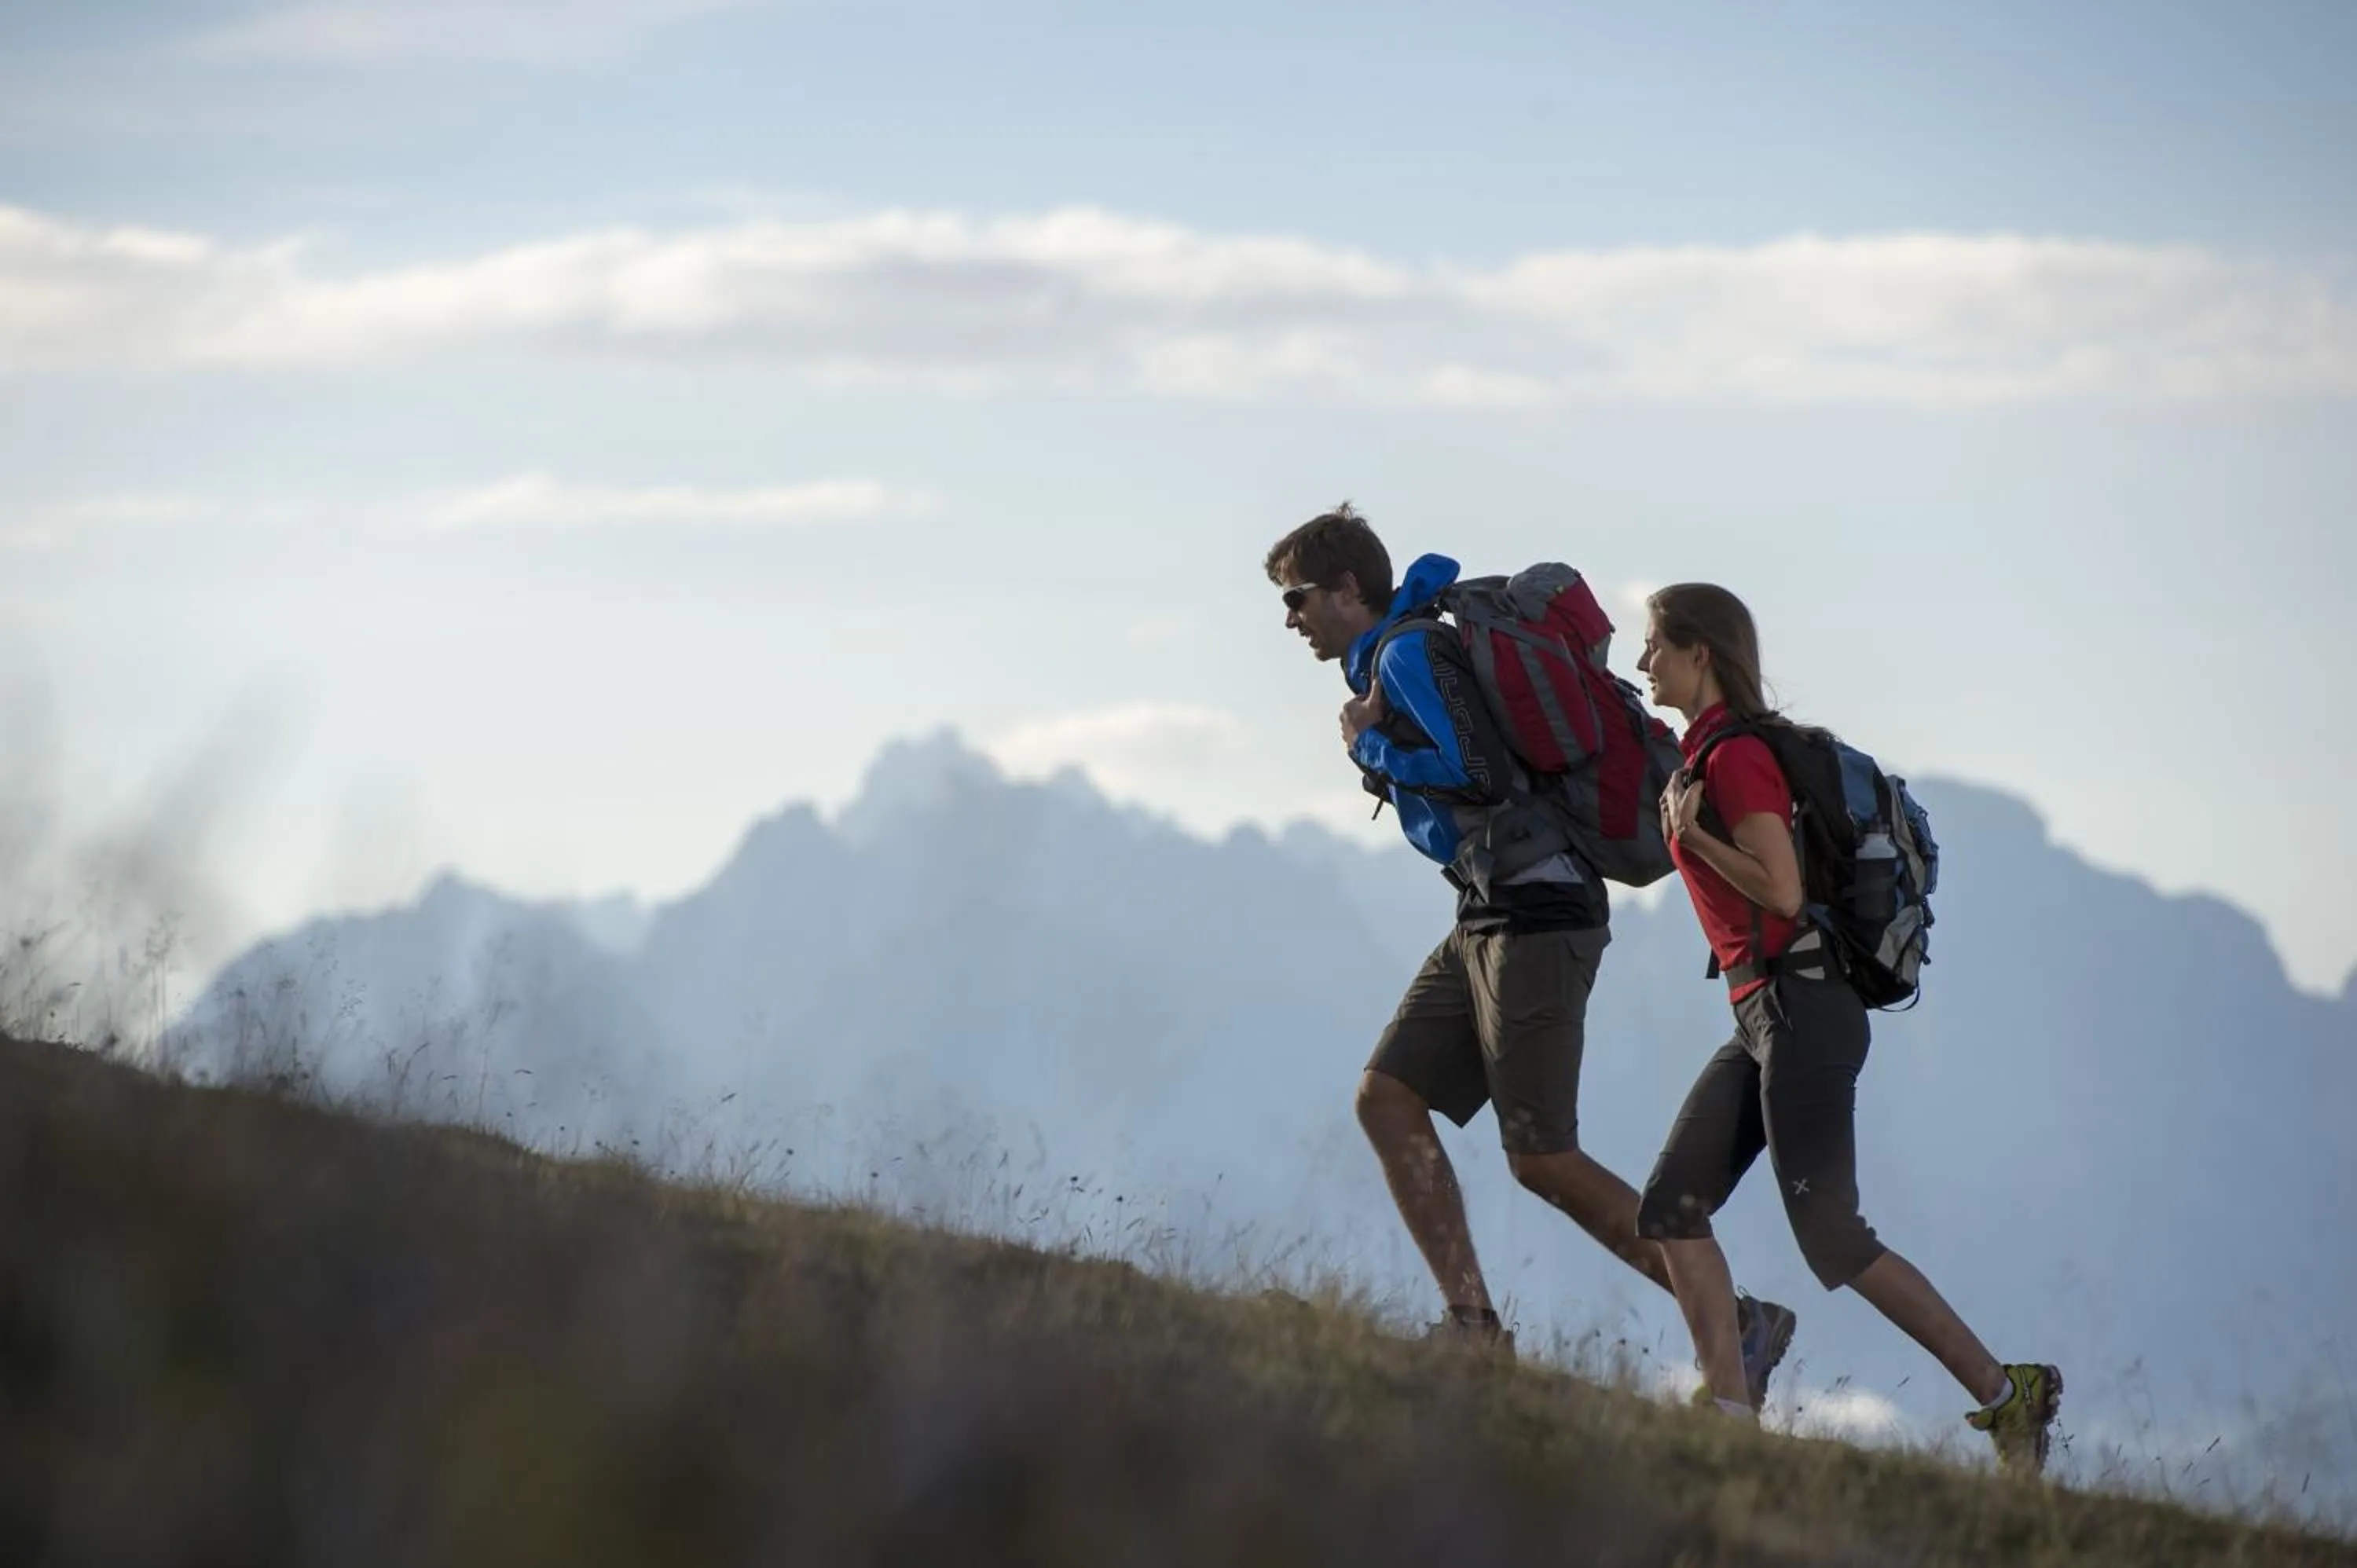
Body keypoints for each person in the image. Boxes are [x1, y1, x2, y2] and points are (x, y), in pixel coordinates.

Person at [1265, 504, 1797, 1405]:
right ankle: (1473, 1328)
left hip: (1537, 912)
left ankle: (1737, 1322)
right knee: (1387, 1096)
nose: (1291, 619)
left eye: (1298, 598)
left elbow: (1481, 772)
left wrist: (1375, 745)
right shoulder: (1395, 655)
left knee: (1542, 1154)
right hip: (1488, 909)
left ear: (1349, 590)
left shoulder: (1405, 656)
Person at [1631, 581, 2064, 1465]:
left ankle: (2005, 1392)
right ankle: (1728, 1412)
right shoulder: (1704, 754)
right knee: (1673, 1207)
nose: (1644, 663)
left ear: (1700, 652)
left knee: (1832, 1235)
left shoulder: (1735, 761)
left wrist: (1697, 835)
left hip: (1802, 1010)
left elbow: (1783, 891)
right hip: (1764, 1013)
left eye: (1654, 645)